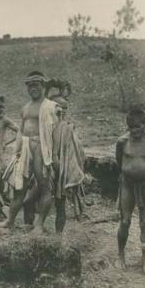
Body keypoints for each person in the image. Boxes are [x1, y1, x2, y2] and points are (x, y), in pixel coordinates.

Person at [0, 71, 58, 234]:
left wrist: (55, 153)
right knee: (19, 187)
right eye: (30, 86)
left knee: (44, 186)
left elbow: (57, 130)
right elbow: (21, 131)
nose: (32, 89)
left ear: (43, 86)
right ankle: (9, 221)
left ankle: (39, 225)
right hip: (25, 147)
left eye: (36, 85)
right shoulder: (25, 108)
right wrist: (16, 151)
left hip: (42, 146)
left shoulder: (51, 106)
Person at [115, 108, 145, 274]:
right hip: (127, 185)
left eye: (138, 126)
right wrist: (128, 173)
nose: (134, 130)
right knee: (125, 221)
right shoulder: (122, 142)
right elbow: (118, 161)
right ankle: (120, 256)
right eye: (131, 127)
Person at [51, 98, 85, 233]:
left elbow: (77, 151)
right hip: (45, 167)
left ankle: (58, 236)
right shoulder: (46, 125)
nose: (62, 111)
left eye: (65, 108)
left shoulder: (68, 128)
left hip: (62, 170)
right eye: (59, 107)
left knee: (60, 204)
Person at [0, 95, 19, 180]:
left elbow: (19, 131)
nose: (0, 109)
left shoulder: (4, 120)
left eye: (2, 106)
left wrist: (7, 143)